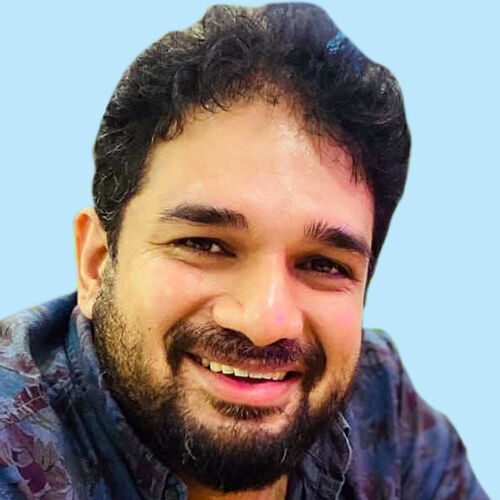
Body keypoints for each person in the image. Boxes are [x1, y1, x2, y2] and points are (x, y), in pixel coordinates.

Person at [0, 3, 488, 499]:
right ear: (96, 263)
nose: (265, 322)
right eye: (205, 244)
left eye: (323, 264)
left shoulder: (385, 410)